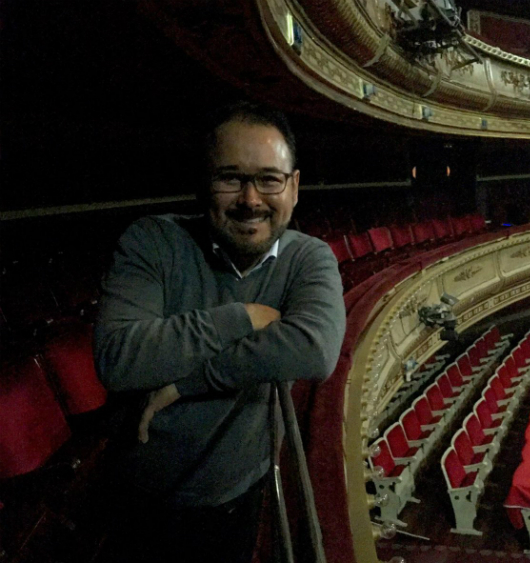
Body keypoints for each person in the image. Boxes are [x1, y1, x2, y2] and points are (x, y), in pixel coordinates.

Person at [93, 101, 345, 563]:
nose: (250, 200)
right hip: (139, 501)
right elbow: (119, 357)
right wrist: (244, 316)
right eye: (230, 178)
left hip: (239, 496)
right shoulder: (151, 241)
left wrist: (190, 381)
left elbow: (315, 348)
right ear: (204, 182)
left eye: (269, 179)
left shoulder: (309, 258)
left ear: (294, 187)